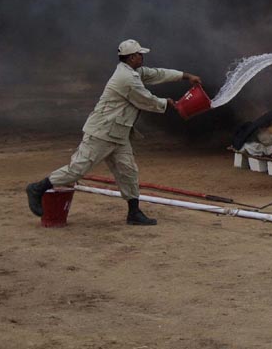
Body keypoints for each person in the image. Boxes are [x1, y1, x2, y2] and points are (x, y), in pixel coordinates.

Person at [25, 39, 203, 226]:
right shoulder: (126, 78)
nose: (142, 57)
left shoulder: (134, 72)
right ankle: (38, 188)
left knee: (128, 172)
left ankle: (134, 213)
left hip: (119, 133)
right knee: (77, 170)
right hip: (102, 132)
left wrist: (185, 76)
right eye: (140, 54)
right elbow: (144, 99)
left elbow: (157, 73)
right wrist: (167, 103)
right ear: (132, 57)